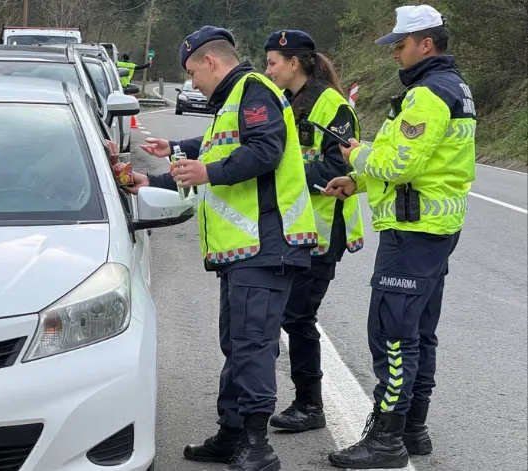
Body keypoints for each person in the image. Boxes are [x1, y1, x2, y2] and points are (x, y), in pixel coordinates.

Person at [126, 25, 319, 471]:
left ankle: (257, 446)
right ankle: (232, 434)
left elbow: (264, 152)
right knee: (237, 344)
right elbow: (213, 156)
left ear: (211, 62)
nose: (192, 83)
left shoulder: (253, 91)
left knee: (252, 346)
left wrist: (208, 174)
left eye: (193, 72)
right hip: (244, 250)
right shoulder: (233, 101)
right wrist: (151, 179)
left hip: (268, 244)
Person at [322, 5, 475, 468]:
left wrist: (355, 155)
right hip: (433, 229)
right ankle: (413, 428)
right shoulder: (455, 89)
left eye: (400, 45)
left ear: (425, 43)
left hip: (412, 232)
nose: (395, 55)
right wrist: (360, 182)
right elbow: (415, 162)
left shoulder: (428, 95)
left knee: (392, 334)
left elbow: (397, 163)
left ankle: (387, 441)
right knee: (418, 332)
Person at [261, 30, 366, 432]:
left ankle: (310, 405)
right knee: (287, 315)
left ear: (294, 63)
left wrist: (283, 176)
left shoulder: (332, 106)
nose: (268, 70)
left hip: (325, 229)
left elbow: (338, 167)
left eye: (273, 62)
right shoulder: (285, 102)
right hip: (295, 227)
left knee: (298, 316)